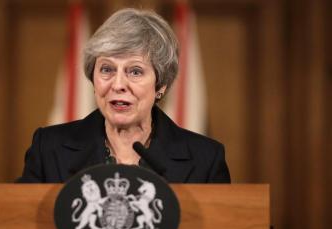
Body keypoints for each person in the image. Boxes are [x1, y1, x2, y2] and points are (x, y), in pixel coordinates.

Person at [18, 8, 230, 183]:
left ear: (161, 85)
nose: (118, 84)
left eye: (135, 71)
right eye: (107, 70)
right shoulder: (48, 148)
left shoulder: (206, 159)